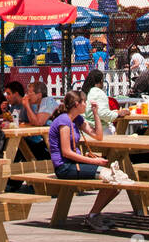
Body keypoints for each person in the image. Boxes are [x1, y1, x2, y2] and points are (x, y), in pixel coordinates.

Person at [48, 90, 120, 231]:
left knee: (116, 180)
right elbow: (66, 152)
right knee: (112, 176)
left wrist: (95, 113)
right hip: (64, 167)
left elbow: (98, 136)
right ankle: (93, 216)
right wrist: (94, 162)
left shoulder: (76, 119)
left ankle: (94, 214)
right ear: (77, 104)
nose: (86, 104)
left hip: (75, 165)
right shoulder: (64, 121)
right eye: (84, 102)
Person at [83, 69, 128, 134]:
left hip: (85, 130)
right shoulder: (99, 93)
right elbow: (103, 114)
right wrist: (118, 114)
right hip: (99, 131)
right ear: (101, 81)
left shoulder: (85, 92)